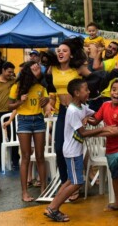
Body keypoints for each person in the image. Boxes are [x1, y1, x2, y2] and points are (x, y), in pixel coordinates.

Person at [44, 78, 112, 222]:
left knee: (70, 180)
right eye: (85, 90)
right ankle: (53, 208)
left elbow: (96, 116)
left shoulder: (82, 106)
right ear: (76, 93)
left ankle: (51, 206)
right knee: (77, 182)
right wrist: (103, 129)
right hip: (72, 151)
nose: (88, 92)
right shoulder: (73, 110)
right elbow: (83, 133)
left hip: (75, 150)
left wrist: (109, 110)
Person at [88, 80, 118, 218]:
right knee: (115, 176)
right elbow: (95, 120)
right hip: (111, 148)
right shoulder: (105, 105)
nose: (116, 93)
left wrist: (97, 132)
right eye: (114, 89)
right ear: (110, 92)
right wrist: (82, 116)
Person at [45, 37, 84, 197]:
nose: (60, 52)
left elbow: (86, 89)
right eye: (58, 50)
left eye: (64, 50)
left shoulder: (78, 70)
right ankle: (65, 182)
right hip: (62, 112)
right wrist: (49, 102)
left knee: (75, 149)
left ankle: (76, 183)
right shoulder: (52, 69)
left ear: (71, 54)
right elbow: (50, 89)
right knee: (60, 148)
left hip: (76, 110)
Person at [8, 61, 52, 202]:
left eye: (38, 68)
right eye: (34, 68)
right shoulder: (17, 86)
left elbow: (47, 104)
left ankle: (44, 189)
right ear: (28, 71)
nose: (37, 70)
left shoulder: (41, 86)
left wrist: (47, 104)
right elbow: (9, 106)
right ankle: (24, 193)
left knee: (40, 156)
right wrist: (20, 102)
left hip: (38, 119)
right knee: (26, 157)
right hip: (24, 121)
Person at [91, 41, 118, 111]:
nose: (110, 49)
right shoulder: (102, 60)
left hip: (105, 97)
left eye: (114, 49)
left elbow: (95, 67)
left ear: (116, 53)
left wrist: (99, 51)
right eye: (109, 47)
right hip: (97, 96)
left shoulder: (112, 62)